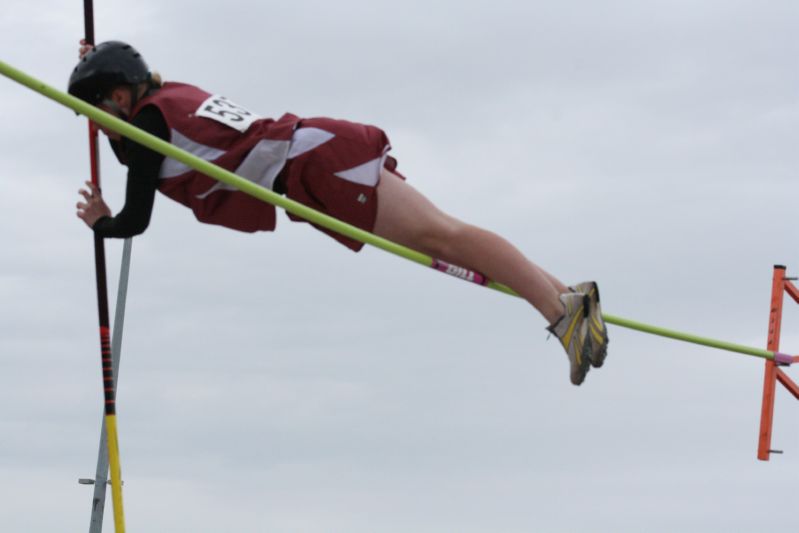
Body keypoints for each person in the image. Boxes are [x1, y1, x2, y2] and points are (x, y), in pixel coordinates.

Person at [69, 40, 609, 385]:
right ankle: (571, 298)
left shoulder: (146, 126)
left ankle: (561, 314)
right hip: (314, 155)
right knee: (442, 236)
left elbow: (135, 215)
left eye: (95, 113)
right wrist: (97, 66)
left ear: (119, 98)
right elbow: (144, 150)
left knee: (444, 237)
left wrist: (100, 223)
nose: (95, 128)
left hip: (314, 164)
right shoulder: (164, 101)